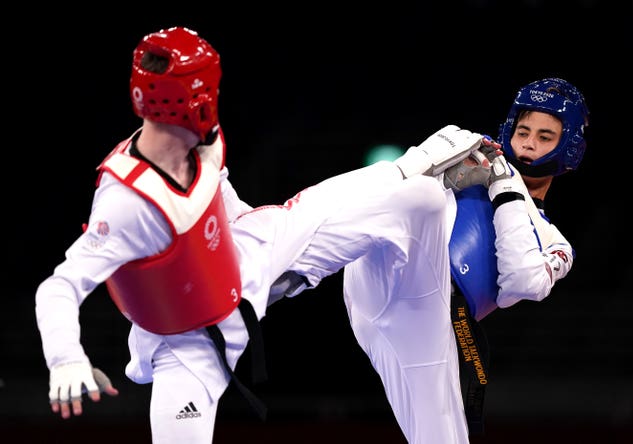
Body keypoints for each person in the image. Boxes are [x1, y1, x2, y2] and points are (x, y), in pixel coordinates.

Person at [34, 26, 498, 444]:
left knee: (410, 193)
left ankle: (416, 167)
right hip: (188, 338)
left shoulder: (205, 137)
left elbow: (217, 200)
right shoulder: (126, 201)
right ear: (194, 96)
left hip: (252, 246)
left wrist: (274, 265)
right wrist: (66, 360)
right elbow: (58, 287)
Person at [274, 77, 589, 443]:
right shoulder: (474, 154)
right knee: (420, 188)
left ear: (567, 148)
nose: (529, 143)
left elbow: (519, 285)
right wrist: (428, 165)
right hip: (384, 272)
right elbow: (388, 193)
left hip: (430, 323)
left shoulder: (555, 243)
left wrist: (506, 188)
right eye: (523, 131)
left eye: (545, 137)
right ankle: (285, 256)